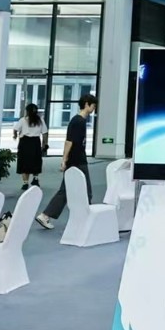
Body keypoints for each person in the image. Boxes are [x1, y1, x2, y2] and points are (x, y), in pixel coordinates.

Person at [35, 94, 96, 230]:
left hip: (76, 160)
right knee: (86, 190)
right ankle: (87, 218)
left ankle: (46, 215)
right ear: (87, 104)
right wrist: (64, 160)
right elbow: (69, 141)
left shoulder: (79, 120)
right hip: (77, 161)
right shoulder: (78, 122)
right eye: (93, 105)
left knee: (66, 190)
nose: (94, 108)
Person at [12, 103, 48, 191]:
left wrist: (15, 135)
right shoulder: (40, 120)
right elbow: (45, 133)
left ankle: (25, 183)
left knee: (24, 162)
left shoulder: (23, 120)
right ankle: (35, 178)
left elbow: (15, 129)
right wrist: (44, 144)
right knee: (36, 160)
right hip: (35, 142)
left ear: (27, 111)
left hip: (25, 142)